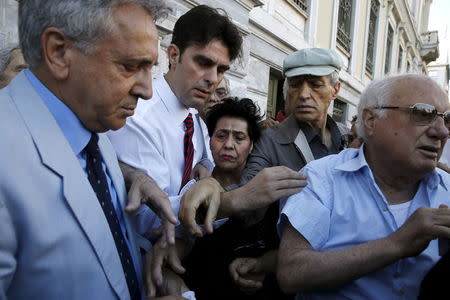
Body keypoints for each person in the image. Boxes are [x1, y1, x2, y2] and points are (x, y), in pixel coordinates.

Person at [0, 1, 169, 299]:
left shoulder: (93, 125)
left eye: (150, 68)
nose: (147, 90)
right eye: (130, 66)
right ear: (59, 52)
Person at [277, 74, 450, 299]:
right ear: (370, 120)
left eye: (446, 119)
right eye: (423, 113)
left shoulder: (447, 188)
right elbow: (291, 273)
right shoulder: (322, 178)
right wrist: (396, 244)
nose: (442, 131)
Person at [107, 5, 243, 245]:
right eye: (203, 62)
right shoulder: (139, 118)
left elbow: (202, 160)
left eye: (221, 69)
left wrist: (204, 170)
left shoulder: (192, 111)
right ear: (173, 55)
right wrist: (235, 199)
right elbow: (149, 219)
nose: (213, 78)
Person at [179, 47, 344, 239]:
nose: (304, 94)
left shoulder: (345, 140)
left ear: (335, 89)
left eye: (315, 85)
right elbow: (248, 193)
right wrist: (211, 189)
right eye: (295, 85)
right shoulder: (270, 140)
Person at [147, 97, 262, 298]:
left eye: (239, 138)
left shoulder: (262, 189)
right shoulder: (192, 190)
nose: (228, 145)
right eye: (221, 136)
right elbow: (178, 240)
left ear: (252, 145)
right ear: (210, 141)